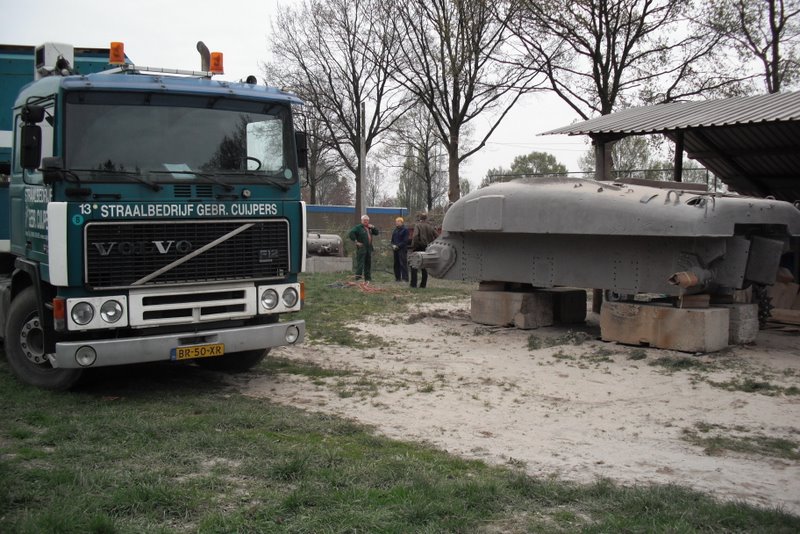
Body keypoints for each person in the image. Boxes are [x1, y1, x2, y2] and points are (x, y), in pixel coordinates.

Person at [348, 214, 379, 282]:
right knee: (360, 263)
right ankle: (358, 278)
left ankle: (368, 278)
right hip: (362, 248)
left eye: (367, 220)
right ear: (361, 220)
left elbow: (377, 233)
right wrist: (356, 242)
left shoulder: (369, 228)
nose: (366, 221)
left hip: (369, 248)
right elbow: (351, 233)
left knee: (368, 263)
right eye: (364, 220)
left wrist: (373, 227)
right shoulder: (358, 227)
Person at [410, 213, 437, 288]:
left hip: (418, 247)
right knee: (424, 266)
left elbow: (415, 236)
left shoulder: (418, 225)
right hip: (427, 247)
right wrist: (432, 244)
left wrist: (414, 246)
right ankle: (423, 284)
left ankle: (413, 284)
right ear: (426, 218)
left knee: (414, 264)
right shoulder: (430, 226)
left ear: (420, 218)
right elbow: (437, 236)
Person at [391, 217, 409, 282]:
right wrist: (393, 245)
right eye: (396, 222)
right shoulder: (395, 230)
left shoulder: (405, 230)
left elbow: (405, 241)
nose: (397, 223)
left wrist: (398, 246)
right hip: (395, 249)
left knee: (403, 264)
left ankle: (405, 278)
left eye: (398, 222)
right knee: (396, 264)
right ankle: (397, 278)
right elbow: (392, 240)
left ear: (401, 222)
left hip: (402, 249)